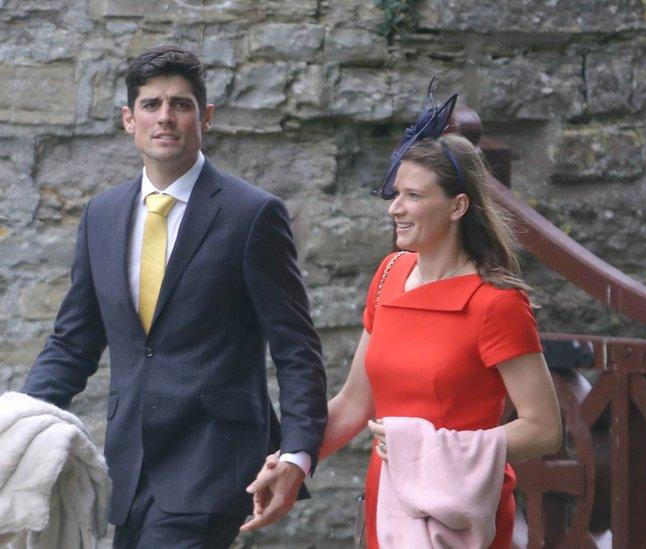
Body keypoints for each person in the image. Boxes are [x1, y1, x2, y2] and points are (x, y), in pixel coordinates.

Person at [19, 46, 328, 548]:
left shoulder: (253, 214)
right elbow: (73, 343)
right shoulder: (102, 215)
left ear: (204, 117)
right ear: (128, 118)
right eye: (151, 104)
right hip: (129, 466)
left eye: (181, 104)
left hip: (213, 463)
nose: (165, 117)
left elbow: (297, 348)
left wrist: (296, 454)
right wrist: (19, 424)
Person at [250, 84, 562, 548]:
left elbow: (544, 429)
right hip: (388, 505)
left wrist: (435, 451)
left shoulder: (495, 302)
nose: (395, 208)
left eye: (413, 196)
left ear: (457, 206)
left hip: (458, 515)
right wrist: (293, 461)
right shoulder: (390, 274)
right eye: (396, 193)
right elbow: (355, 402)